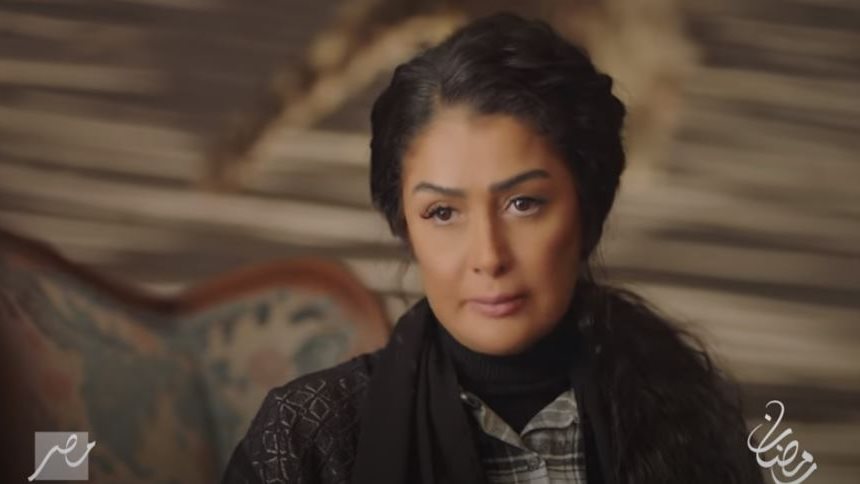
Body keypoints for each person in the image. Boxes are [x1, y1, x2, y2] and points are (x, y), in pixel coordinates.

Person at [220, 12, 763, 484]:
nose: (488, 256)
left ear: (589, 209)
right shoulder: (307, 438)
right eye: (442, 212)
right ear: (404, 227)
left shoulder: (689, 419)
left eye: (523, 204)